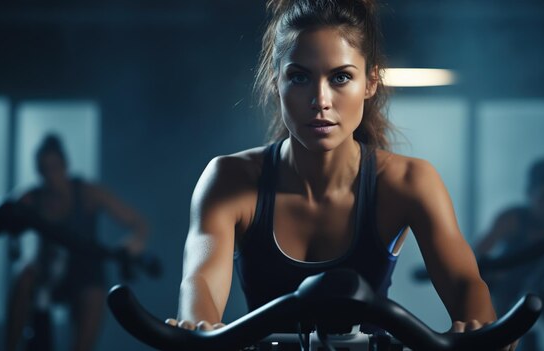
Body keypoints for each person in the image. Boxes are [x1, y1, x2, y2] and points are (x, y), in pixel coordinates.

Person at [167, 0, 513, 349]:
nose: (320, 99)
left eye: (340, 77)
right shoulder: (229, 180)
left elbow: (466, 284)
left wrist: (481, 325)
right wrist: (197, 324)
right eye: (299, 77)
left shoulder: (409, 182)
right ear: (276, 83)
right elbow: (200, 283)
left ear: (370, 83)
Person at [4, 134, 149, 351]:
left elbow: (139, 224)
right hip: (47, 273)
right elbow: (4, 216)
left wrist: (131, 247)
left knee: (93, 298)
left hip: (86, 274)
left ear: (65, 165)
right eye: (44, 169)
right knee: (24, 277)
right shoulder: (32, 198)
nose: (51, 175)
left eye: (55, 167)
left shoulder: (88, 193)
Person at [475, 157, 544, 351]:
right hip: (507, 290)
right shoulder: (511, 220)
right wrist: (485, 273)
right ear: (529, 194)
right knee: (499, 336)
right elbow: (476, 253)